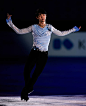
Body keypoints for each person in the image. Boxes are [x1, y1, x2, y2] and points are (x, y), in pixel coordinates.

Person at [6, 8, 81, 101]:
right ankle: (29, 88)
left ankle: (25, 91)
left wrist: (73, 29)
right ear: (37, 17)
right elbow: (19, 31)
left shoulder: (49, 27)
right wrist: (10, 22)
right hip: (34, 52)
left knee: (36, 74)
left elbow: (61, 33)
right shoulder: (33, 27)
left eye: (44, 15)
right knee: (26, 71)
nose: (43, 17)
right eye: (41, 15)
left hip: (43, 55)